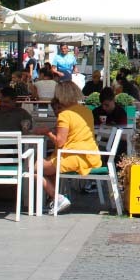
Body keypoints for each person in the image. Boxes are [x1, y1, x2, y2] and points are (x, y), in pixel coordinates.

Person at [41, 81, 102, 213]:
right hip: (90, 157)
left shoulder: (65, 114)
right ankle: (53, 199)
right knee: (48, 167)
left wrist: (47, 132)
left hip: (71, 157)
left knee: (31, 167)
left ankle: (57, 198)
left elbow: (60, 142)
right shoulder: (86, 111)